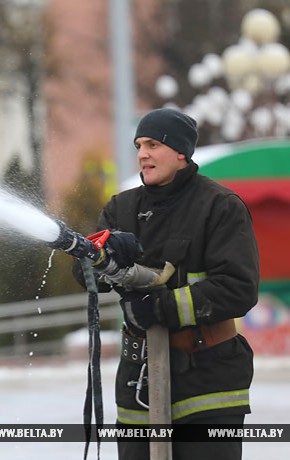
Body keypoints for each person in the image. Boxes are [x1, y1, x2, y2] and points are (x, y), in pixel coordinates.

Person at [75, 108, 259, 459]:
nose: (142, 153)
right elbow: (86, 278)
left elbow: (238, 287)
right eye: (139, 144)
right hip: (137, 381)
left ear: (181, 152)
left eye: (153, 144)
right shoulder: (121, 208)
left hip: (207, 380)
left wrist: (161, 308)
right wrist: (101, 258)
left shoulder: (219, 207)